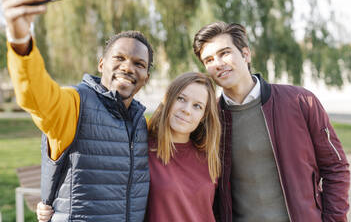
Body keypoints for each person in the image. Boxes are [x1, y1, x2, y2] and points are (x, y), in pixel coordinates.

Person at [2, 0, 153, 221]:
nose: (128, 67)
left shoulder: (142, 124)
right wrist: (20, 39)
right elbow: (35, 96)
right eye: (119, 58)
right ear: (101, 63)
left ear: (146, 76)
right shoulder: (75, 104)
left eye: (139, 63)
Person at [192, 21, 350, 222]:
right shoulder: (208, 119)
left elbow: (335, 167)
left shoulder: (302, 101)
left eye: (224, 53)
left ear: (246, 54)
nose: (218, 63)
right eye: (209, 60)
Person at [37, 72, 222, 222]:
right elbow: (98, 183)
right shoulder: (140, 148)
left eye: (197, 106)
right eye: (181, 99)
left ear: (204, 116)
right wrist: (54, 206)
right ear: (168, 100)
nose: (187, 109)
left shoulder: (210, 157)